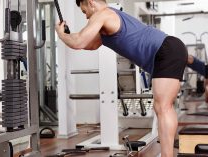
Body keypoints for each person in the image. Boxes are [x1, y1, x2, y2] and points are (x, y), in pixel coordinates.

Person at [55, 0, 187, 156]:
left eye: (85, 12)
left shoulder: (102, 14)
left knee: (163, 107)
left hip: (165, 50)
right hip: (170, 48)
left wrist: (61, 35)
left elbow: (78, 42)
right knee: (164, 107)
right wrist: (69, 35)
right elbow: (89, 44)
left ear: (90, 3)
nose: (86, 17)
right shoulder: (110, 16)